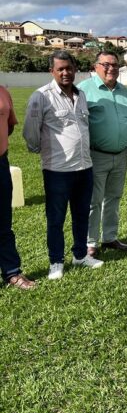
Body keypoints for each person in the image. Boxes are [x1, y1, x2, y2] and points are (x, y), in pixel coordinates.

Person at [23, 51, 103, 280]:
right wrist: (44, 152)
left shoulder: (81, 95)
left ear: (75, 68)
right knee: (56, 219)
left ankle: (80, 255)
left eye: (69, 68)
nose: (66, 72)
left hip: (84, 167)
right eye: (60, 69)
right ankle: (56, 262)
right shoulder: (41, 96)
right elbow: (30, 132)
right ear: (52, 71)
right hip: (57, 170)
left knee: (81, 215)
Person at [78, 51, 127, 256]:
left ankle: (109, 237)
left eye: (115, 65)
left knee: (114, 198)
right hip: (96, 155)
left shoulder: (123, 91)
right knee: (94, 200)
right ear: (95, 66)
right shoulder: (83, 90)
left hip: (120, 154)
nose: (111, 68)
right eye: (106, 64)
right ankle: (90, 242)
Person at [0, 86, 36, 289]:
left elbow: (10, 125)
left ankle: (12, 272)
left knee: (4, 223)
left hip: (0, 164)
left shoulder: (3, 92)